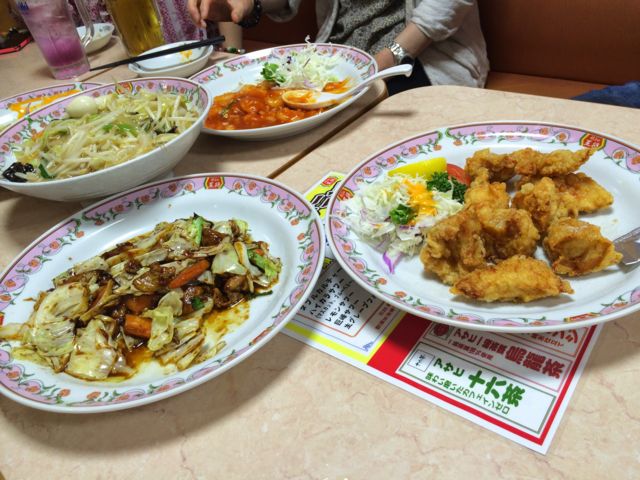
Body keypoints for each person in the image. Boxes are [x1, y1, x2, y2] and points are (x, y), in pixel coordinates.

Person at [187, 0, 489, 95]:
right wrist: (248, 4)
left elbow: (444, 7)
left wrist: (381, 63)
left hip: (421, 56)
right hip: (339, 54)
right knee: (256, 97)